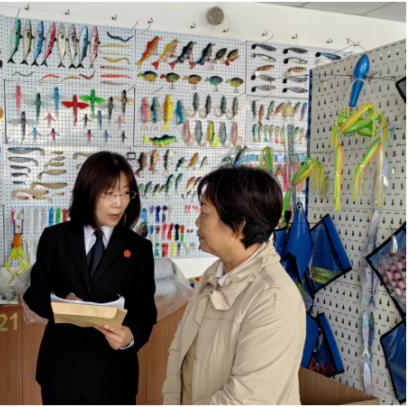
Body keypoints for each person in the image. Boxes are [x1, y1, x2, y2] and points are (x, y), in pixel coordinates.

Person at [162, 165, 306, 405]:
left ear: (239, 225)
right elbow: (179, 351)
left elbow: (246, 399)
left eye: (204, 212)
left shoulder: (274, 297)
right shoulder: (212, 275)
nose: (197, 222)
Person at [24, 151, 157, 405]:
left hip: (114, 376)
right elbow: (35, 292)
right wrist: (62, 301)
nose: (118, 203)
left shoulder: (139, 248)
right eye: (108, 193)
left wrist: (129, 336)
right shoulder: (56, 238)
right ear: (88, 192)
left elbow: (145, 311)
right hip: (62, 372)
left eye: (125, 193)